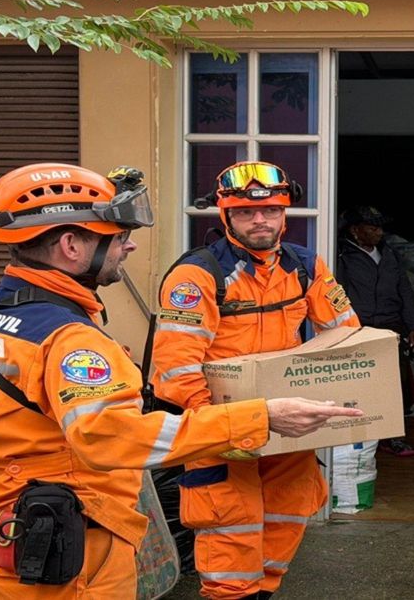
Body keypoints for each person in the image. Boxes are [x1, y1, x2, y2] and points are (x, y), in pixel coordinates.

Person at [0, 163, 361, 598]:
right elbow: (115, 437)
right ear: (70, 245)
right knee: (231, 537)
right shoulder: (68, 339)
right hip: (55, 540)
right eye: (119, 237)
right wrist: (260, 419)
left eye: (271, 210)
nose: (131, 245)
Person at [151, 161, 362, 599]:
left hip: (287, 427)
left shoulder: (305, 266)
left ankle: (263, 593)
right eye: (246, 213)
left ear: (285, 213)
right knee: (231, 530)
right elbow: (175, 369)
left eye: (270, 211)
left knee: (288, 515)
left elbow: (347, 337)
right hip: (222, 426)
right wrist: (217, 427)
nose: (260, 220)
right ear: (226, 216)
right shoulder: (198, 275)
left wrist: (338, 398)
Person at [335, 205, 414, 457]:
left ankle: (392, 437)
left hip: (391, 327)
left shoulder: (389, 254)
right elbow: (337, 295)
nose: (379, 232)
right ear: (355, 230)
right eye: (373, 227)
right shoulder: (342, 255)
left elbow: (405, 291)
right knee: (359, 386)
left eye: (380, 227)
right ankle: (358, 439)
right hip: (358, 329)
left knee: (394, 385)